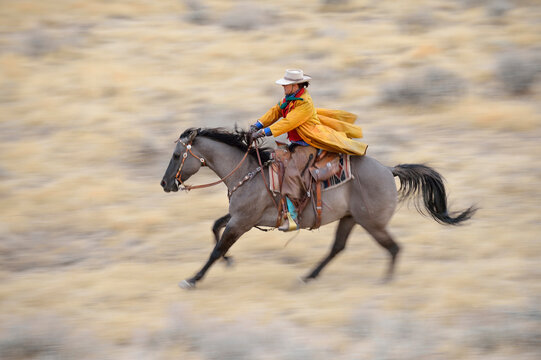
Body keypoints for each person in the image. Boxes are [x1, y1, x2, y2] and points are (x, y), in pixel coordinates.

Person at [250, 69, 368, 231]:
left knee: (291, 172)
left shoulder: (304, 103)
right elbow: (275, 112)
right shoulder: (289, 99)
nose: (283, 88)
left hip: (308, 144)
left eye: (287, 85)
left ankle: (293, 218)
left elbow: (288, 122)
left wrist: (263, 132)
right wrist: (257, 124)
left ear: (296, 85)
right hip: (296, 143)